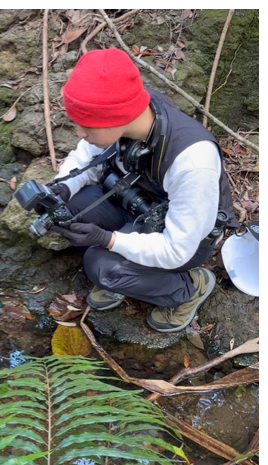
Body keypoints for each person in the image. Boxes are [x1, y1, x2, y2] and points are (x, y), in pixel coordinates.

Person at [44, 48, 234, 333]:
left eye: (85, 126)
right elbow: (86, 157)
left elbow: (176, 250)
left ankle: (188, 288)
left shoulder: (193, 162)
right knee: (71, 210)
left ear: (116, 119)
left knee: (101, 267)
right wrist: (63, 187)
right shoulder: (134, 112)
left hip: (184, 239)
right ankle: (130, 272)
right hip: (139, 203)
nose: (79, 133)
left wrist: (107, 240)